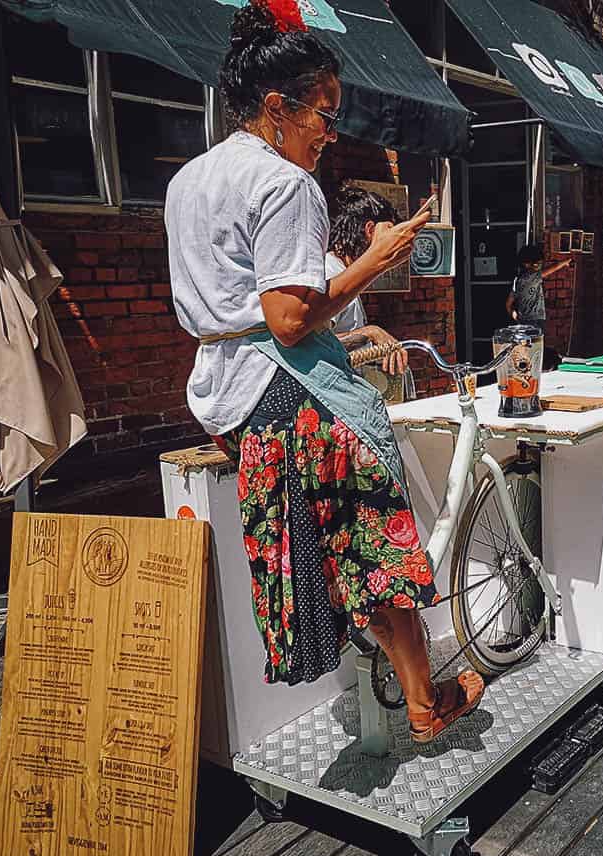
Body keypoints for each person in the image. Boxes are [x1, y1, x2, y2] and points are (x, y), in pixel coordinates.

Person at [164, 0, 483, 744]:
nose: (330, 135)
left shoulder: (188, 180)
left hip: (223, 397)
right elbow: (287, 318)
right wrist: (373, 261)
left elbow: (229, 308)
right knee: (381, 551)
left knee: (331, 554)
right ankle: (424, 703)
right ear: (276, 108)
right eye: (323, 115)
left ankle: (400, 690)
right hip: (289, 387)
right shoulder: (286, 185)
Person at [323, 185, 409, 377]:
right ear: (370, 230)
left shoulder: (343, 270)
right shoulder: (330, 272)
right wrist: (369, 333)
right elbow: (313, 342)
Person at [505, 243, 572, 334]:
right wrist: (566, 262)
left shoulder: (517, 280)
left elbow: (508, 304)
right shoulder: (535, 276)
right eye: (537, 263)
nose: (539, 266)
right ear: (527, 264)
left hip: (522, 321)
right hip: (536, 320)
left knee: (526, 347)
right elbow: (553, 268)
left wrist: (515, 316)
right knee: (536, 346)